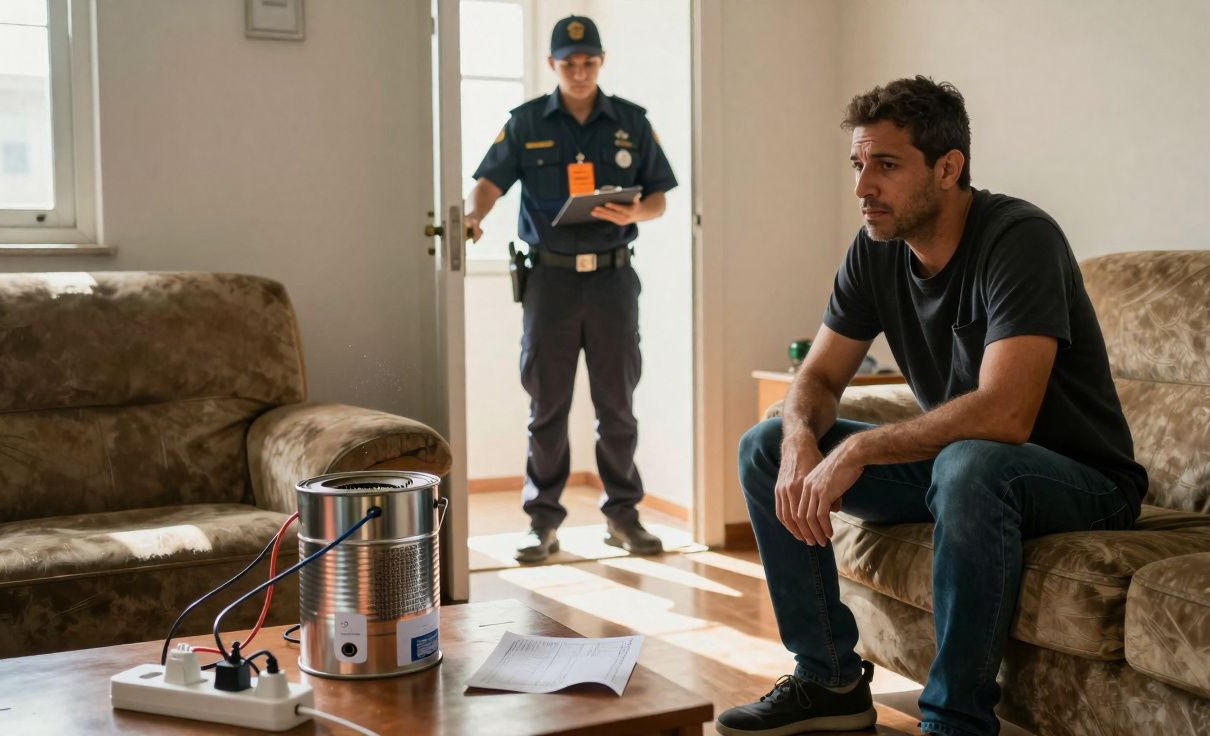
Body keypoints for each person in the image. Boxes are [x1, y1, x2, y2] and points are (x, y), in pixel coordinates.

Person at [716, 76, 1147, 736]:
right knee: (765, 446)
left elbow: (1006, 414)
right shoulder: (876, 249)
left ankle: (954, 722)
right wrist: (799, 435)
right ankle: (829, 679)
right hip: (965, 473)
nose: (863, 188)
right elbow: (818, 376)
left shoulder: (1019, 239)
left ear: (948, 168)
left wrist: (860, 448)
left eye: (886, 166)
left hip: (1083, 481)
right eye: (858, 165)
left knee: (969, 463)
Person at [464, 16, 678, 564]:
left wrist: (636, 212)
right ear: (552, 64)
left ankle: (622, 516)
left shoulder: (631, 122)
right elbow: (489, 182)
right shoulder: (526, 122)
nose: (579, 72)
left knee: (617, 405)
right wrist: (472, 216)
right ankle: (542, 522)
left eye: (589, 62)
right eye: (569, 63)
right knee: (547, 406)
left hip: (612, 279)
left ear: (601, 61)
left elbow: (659, 197)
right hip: (550, 281)